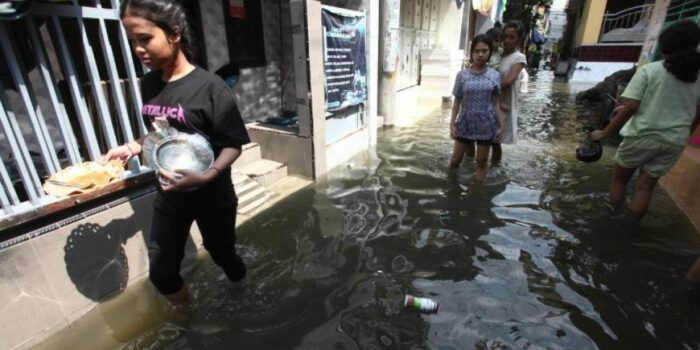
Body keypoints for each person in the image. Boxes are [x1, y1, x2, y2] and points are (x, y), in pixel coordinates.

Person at [104, 0, 250, 310]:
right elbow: (162, 132)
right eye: (132, 41)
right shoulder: (149, 83)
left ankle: (242, 290)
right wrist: (132, 147)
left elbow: (233, 143)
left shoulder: (210, 87)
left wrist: (207, 176)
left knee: (221, 252)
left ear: (174, 34)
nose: (138, 49)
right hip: (170, 193)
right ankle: (187, 319)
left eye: (145, 38)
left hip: (212, 193)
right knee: (161, 272)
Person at [590, 20, 700, 222]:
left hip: (641, 136)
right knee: (645, 187)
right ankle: (631, 227)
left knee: (620, 181)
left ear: (666, 47)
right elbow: (697, 114)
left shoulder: (650, 71)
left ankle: (611, 220)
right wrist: (684, 136)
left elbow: (630, 107)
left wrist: (603, 133)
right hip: (673, 141)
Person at [450, 34, 502, 182]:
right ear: (471, 52)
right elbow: (457, 101)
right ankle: (452, 189)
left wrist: (500, 126)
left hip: (486, 123)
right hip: (465, 122)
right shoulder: (462, 76)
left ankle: (476, 194)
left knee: (481, 162)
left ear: (489, 53)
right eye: (477, 51)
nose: (480, 54)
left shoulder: (494, 76)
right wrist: (452, 124)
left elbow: (496, 103)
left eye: (484, 51)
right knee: (455, 161)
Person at [492, 20, 527, 162]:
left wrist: (485, 86)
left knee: (495, 141)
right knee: (480, 137)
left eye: (512, 37)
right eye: (505, 36)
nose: (507, 40)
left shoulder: (519, 57)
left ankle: (494, 169)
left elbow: (508, 80)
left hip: (503, 102)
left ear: (519, 39)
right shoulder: (496, 54)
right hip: (489, 99)